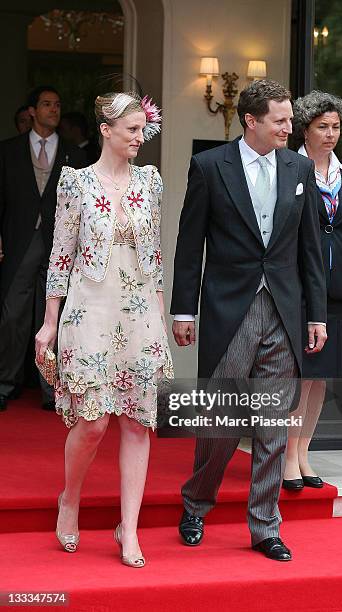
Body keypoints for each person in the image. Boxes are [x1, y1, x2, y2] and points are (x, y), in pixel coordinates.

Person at [171, 79, 327, 561]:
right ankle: (196, 501)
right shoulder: (208, 166)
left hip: (284, 307)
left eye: (290, 119)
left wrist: (316, 315)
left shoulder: (299, 167)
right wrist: (183, 308)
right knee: (219, 421)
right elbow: (189, 242)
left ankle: (265, 526)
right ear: (251, 121)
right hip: (227, 307)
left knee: (273, 423)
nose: (289, 127)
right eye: (281, 120)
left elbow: (310, 250)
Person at [35, 91, 172, 567]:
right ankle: (69, 497)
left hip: (137, 310)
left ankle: (128, 530)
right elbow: (60, 254)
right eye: (132, 129)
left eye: (143, 129)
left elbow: (154, 257)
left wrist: (160, 315)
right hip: (89, 308)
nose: (140, 137)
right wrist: (49, 324)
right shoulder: (75, 183)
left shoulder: (151, 182)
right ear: (107, 130)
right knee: (91, 422)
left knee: (137, 422)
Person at [282, 91, 342, 490]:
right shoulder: (290, 167)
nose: (331, 134)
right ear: (306, 128)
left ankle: (304, 452)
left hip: (338, 289)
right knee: (300, 375)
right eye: (323, 127)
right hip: (300, 285)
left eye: (336, 127)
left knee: (321, 379)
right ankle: (286, 456)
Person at [0, 86, 86, 412]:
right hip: (19, 242)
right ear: (32, 111)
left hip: (58, 246)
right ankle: (5, 383)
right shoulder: (8, 151)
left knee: (54, 317)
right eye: (47, 104)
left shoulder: (75, 155)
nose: (54, 109)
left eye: (57, 104)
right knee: (12, 316)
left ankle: (52, 390)